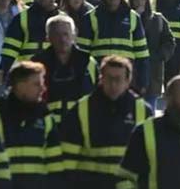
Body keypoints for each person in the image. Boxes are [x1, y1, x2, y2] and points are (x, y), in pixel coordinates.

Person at [58, 56, 153, 188]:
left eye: (118, 79)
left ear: (128, 81)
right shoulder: (81, 109)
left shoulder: (143, 111)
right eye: (108, 78)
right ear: (100, 79)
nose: (113, 84)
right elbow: (67, 160)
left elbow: (151, 160)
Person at [0, 61, 60, 188]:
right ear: (20, 86)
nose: (43, 88)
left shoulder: (46, 118)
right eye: (37, 84)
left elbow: (55, 166)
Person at [78, 0, 150, 93]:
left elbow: (142, 54)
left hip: (126, 81)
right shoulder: (90, 17)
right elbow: (81, 55)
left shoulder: (133, 17)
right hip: (99, 81)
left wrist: (142, 83)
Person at [30, 14, 97, 124]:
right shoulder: (37, 64)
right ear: (48, 38)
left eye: (66, 34)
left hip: (81, 126)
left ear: (74, 35)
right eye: (57, 35)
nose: (63, 39)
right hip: (48, 127)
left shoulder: (87, 63)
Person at [128, 0, 176, 109]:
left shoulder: (158, 19)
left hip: (154, 73)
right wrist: (136, 18)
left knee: (150, 111)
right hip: (132, 74)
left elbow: (169, 41)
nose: (139, 1)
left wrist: (161, 55)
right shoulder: (126, 19)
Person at [0, 0, 59, 74]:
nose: (52, 0)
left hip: (56, 72)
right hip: (29, 72)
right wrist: (4, 71)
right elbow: (9, 51)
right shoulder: (22, 19)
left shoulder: (61, 18)